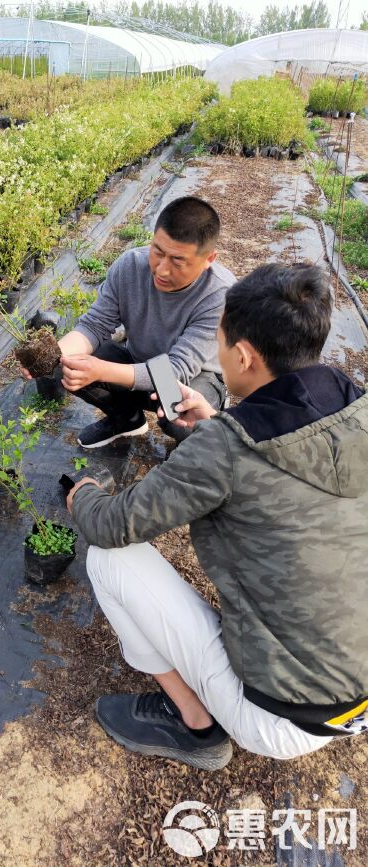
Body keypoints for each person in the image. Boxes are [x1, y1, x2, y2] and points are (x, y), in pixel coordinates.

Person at [66, 263, 368, 770]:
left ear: (244, 355)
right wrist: (220, 425)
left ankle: (194, 724)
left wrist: (86, 496)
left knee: (108, 559)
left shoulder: (224, 451)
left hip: (282, 717)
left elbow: (111, 524)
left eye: (222, 342)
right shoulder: (354, 403)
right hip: (355, 693)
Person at [22, 196, 235, 448]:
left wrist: (100, 370)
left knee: (179, 416)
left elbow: (175, 369)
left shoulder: (220, 294)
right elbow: (94, 325)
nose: (162, 270)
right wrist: (48, 356)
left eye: (178, 261)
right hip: (137, 361)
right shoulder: (130, 266)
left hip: (190, 377)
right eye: (158, 251)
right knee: (64, 362)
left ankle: (198, 429)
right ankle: (127, 419)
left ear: (209, 259)